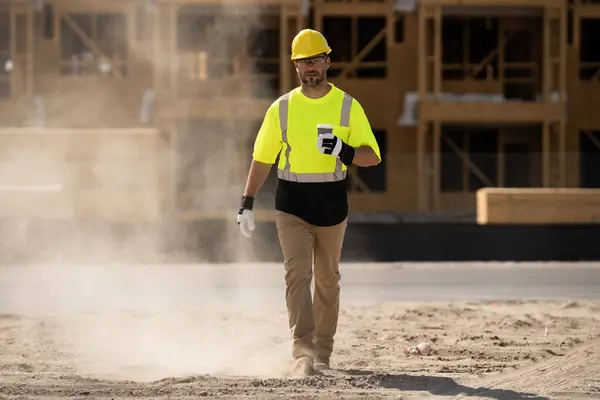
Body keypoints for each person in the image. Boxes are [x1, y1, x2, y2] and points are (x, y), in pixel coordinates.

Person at [236, 28, 381, 377]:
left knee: (327, 280)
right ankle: (303, 351)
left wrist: (343, 151)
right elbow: (262, 158)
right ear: (296, 67)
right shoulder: (281, 108)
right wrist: (246, 202)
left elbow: (372, 157)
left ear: (327, 61)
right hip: (292, 206)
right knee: (297, 274)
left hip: (331, 208)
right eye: (303, 62)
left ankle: (323, 353)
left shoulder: (348, 106)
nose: (310, 68)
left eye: (315, 60)